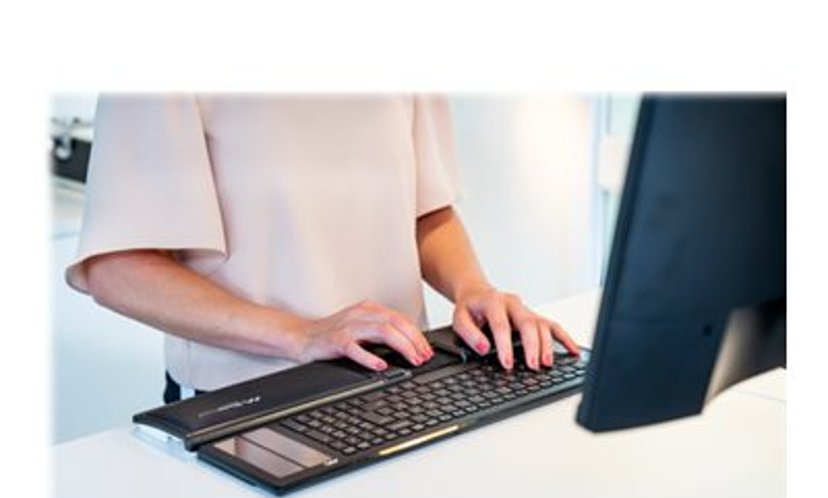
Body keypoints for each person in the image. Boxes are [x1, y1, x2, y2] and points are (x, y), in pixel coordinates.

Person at [66, 93, 579, 402]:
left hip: (402, 382)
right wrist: (302, 335)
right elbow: (118, 268)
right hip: (246, 400)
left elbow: (425, 209)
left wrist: (472, 289)